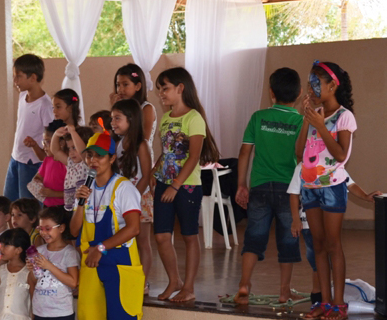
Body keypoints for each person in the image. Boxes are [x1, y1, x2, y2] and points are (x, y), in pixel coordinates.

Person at [69, 131, 144, 320]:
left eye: (99, 156)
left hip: (120, 265)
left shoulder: (124, 188)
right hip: (92, 266)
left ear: (112, 158)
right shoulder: (85, 188)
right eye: (89, 155)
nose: (93, 160)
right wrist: (80, 203)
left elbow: (134, 228)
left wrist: (101, 247)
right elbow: (74, 230)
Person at [227, 68, 304, 307]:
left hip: (259, 188)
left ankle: (244, 284)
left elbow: (244, 152)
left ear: (271, 92)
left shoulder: (258, 117)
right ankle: (284, 292)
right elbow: (301, 155)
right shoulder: (301, 122)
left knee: (254, 237)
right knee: (288, 240)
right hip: (289, 191)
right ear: (299, 94)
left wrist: (241, 184)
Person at [295, 60, 358, 320]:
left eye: (315, 83)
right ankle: (323, 301)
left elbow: (341, 155)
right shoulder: (314, 115)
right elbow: (299, 153)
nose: (310, 89)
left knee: (333, 244)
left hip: (332, 187)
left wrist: (321, 126)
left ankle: (339, 304)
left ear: (332, 86)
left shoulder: (344, 117)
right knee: (317, 245)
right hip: (310, 187)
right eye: (309, 84)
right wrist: (306, 120)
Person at [152, 67, 220, 303]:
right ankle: (175, 280)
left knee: (189, 235)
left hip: (187, 186)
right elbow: (166, 152)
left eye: (165, 88)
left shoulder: (194, 118)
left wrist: (176, 185)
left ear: (180, 88)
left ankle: (189, 287)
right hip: (164, 183)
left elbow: (194, 156)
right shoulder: (165, 118)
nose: (161, 93)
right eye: (159, 89)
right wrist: (154, 173)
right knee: (161, 236)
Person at [288, 168, 381, 312]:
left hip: (329, 218)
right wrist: (295, 219)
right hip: (308, 224)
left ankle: (337, 302)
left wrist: (365, 196)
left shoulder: (333, 165)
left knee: (332, 248)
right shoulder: (302, 167)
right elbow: (294, 193)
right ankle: (321, 298)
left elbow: (349, 183)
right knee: (317, 254)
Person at [109, 99, 154, 294]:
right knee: (126, 241)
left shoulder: (141, 145)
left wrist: (133, 196)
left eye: (117, 118)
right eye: (112, 118)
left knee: (143, 241)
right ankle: (127, 277)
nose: (113, 123)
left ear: (131, 119)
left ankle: (143, 281)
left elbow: (146, 174)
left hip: (140, 198)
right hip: (123, 200)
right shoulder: (118, 143)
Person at [5, 54, 54, 202]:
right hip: (16, 157)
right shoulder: (22, 96)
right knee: (9, 203)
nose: (15, 81)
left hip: (31, 162)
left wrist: (36, 146)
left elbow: (51, 137)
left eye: (18, 76)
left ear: (33, 77)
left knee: (27, 207)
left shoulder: (45, 105)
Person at [51, 124, 94, 214]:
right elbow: (55, 151)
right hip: (71, 208)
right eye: (69, 148)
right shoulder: (71, 163)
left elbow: (83, 151)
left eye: (74, 147)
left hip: (85, 207)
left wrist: (73, 132)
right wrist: (55, 135)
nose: (71, 152)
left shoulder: (87, 163)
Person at [25, 118, 68, 208]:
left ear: (61, 143)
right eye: (43, 142)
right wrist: (37, 183)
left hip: (63, 207)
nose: (44, 146)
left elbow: (74, 192)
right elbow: (38, 177)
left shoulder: (67, 163)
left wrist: (54, 193)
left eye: (48, 142)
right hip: (47, 206)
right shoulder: (48, 160)